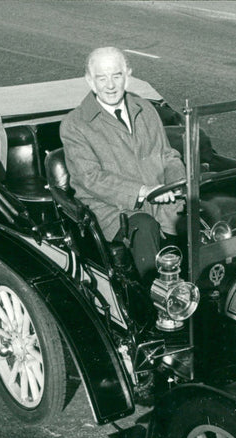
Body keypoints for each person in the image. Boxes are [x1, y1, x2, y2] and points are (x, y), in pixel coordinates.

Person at [60, 47, 185, 284]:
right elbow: (91, 178)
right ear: (90, 81)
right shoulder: (75, 124)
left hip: (160, 199)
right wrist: (142, 192)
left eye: (116, 76)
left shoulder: (145, 108)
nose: (110, 85)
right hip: (112, 210)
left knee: (205, 218)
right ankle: (155, 299)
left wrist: (175, 184)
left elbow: (168, 155)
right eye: (101, 78)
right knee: (145, 227)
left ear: (127, 76)